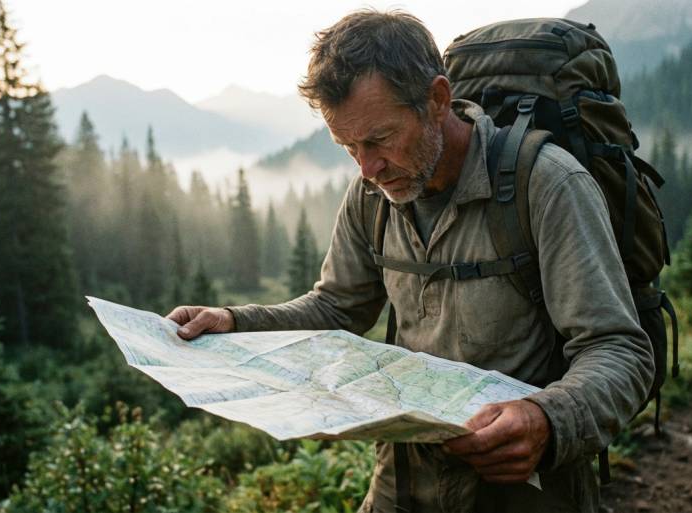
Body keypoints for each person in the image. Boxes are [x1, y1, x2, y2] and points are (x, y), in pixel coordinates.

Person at [168, 9, 653, 513]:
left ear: (437, 99)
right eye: (347, 146)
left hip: (521, 488)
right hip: (402, 482)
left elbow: (618, 349)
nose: (367, 167)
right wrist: (234, 322)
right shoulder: (371, 196)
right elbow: (336, 308)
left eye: (379, 139)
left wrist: (546, 420)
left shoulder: (546, 185)